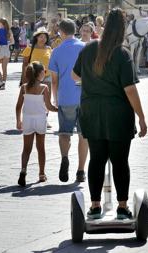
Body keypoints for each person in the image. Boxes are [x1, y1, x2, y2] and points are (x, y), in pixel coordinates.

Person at [71, 8, 147, 219]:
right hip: (118, 115)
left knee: (96, 159)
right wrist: (141, 117)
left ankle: (95, 206)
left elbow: (74, 76)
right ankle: (122, 207)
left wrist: (92, 80)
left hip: (92, 112)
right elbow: (130, 90)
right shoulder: (122, 53)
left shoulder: (89, 49)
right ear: (123, 29)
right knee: (120, 161)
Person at [49, 18, 88, 183]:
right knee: (83, 135)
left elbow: (54, 80)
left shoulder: (56, 51)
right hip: (85, 98)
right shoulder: (85, 48)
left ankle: (65, 158)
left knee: (65, 133)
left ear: (61, 32)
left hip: (66, 97)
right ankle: (80, 171)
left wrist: (55, 98)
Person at [15, 61, 58, 187]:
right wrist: (58, 109)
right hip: (40, 119)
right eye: (44, 71)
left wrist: (18, 120)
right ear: (39, 74)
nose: (45, 73)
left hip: (27, 119)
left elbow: (18, 106)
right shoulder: (44, 88)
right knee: (41, 148)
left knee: (26, 149)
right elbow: (49, 106)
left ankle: (23, 170)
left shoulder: (24, 87)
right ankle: (41, 174)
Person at [0, 18, 14, 90]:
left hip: (0, 49)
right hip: (7, 49)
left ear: (1, 23)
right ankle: (3, 84)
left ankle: (1, 81)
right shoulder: (9, 31)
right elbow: (12, 42)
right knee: (4, 68)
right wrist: (7, 44)